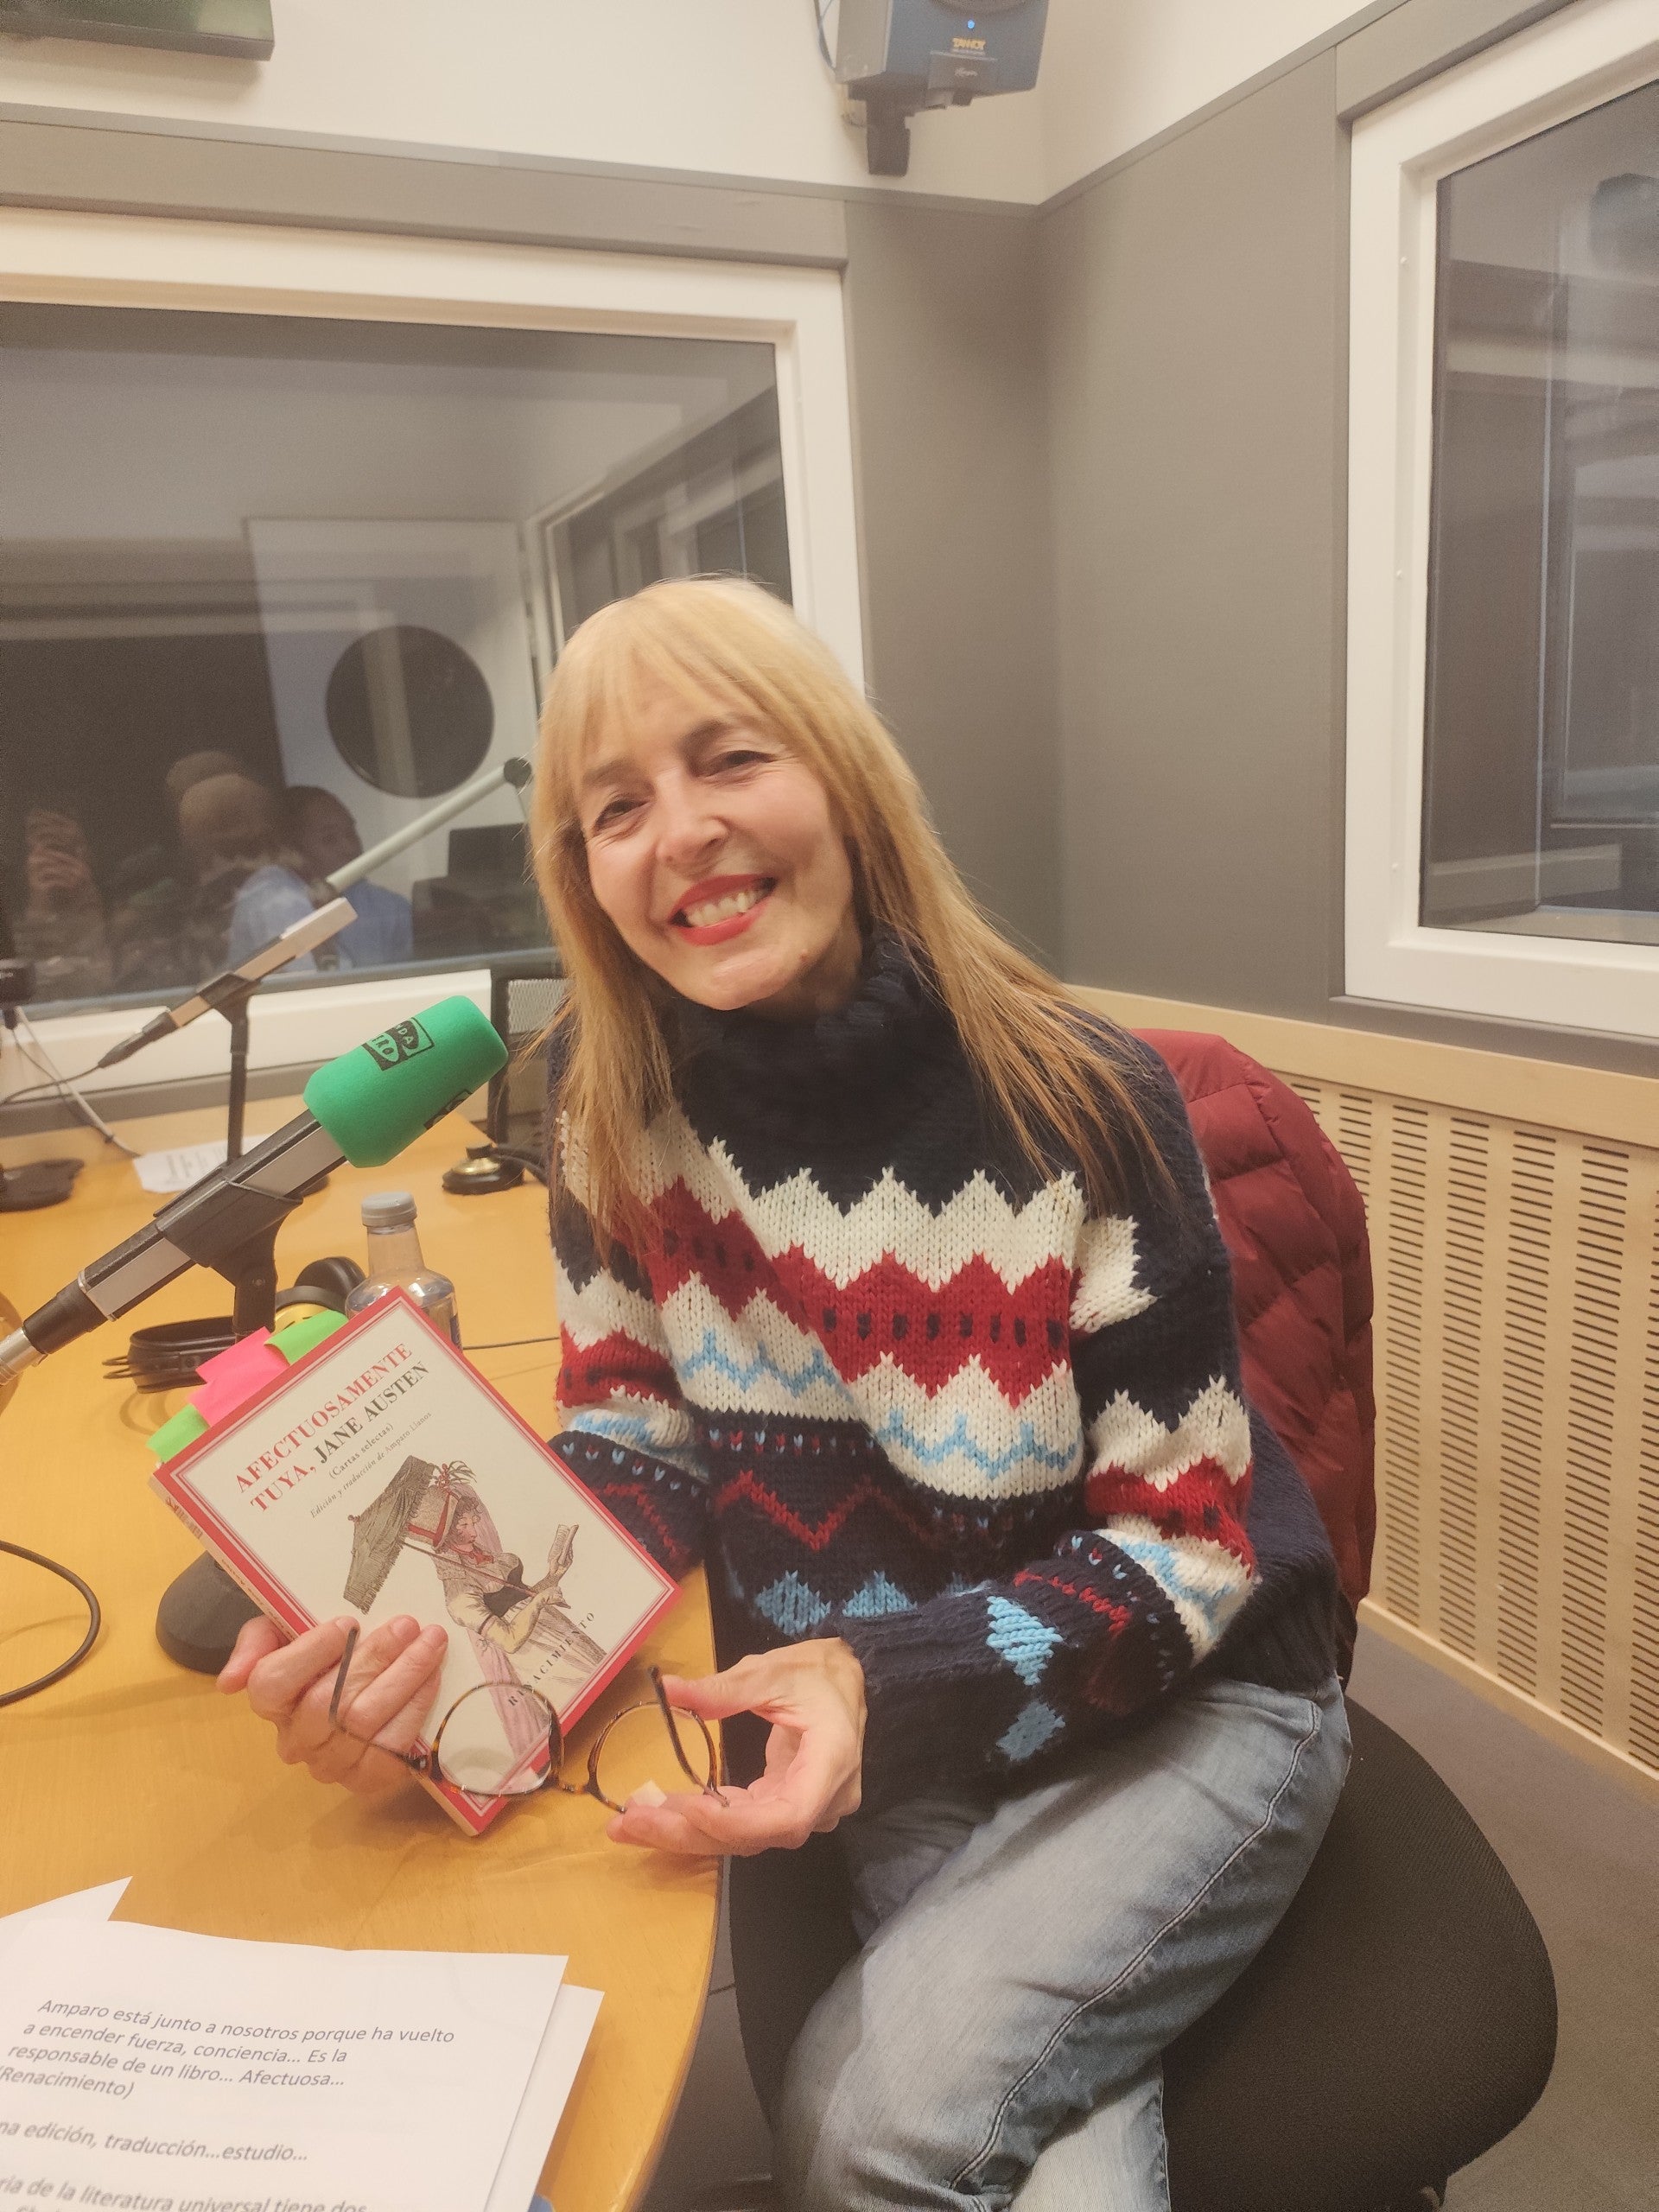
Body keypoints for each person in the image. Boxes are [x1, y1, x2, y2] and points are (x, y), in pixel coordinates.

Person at [219, 577, 1348, 2211]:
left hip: (1187, 1694)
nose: (677, 831)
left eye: (729, 759)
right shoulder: (607, 1117)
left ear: (846, 781)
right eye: (615, 807)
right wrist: (435, 1661)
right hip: (908, 1713)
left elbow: (1191, 1550)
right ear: (584, 875)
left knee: (864, 2132)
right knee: (1004, 2158)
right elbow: (634, 1447)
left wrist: (896, 1685)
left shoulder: (1084, 1100)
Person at [225, 786, 412, 974]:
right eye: (329, 839)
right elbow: (325, 983)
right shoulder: (272, 899)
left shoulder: (369, 897)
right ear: (292, 848)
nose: (350, 848)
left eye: (350, 833)